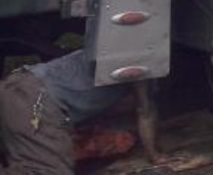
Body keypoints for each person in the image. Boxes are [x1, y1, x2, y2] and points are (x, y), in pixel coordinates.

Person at [0, 50, 130, 174]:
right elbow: (143, 112)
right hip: (33, 97)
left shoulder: (109, 48)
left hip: (21, 88)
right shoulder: (136, 61)